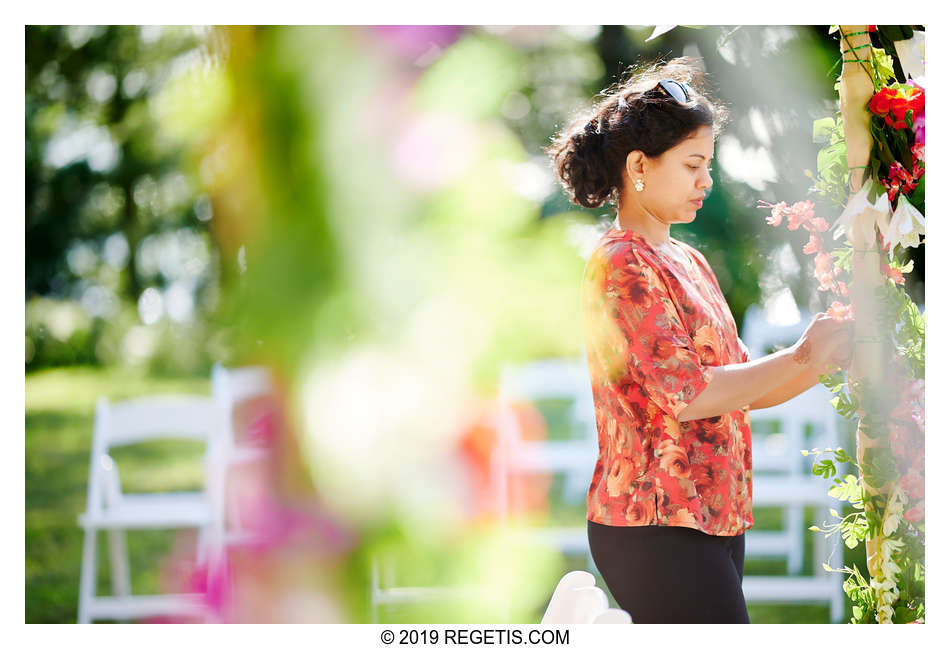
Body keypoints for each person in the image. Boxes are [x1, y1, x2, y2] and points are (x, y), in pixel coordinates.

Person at [545, 57, 854, 623]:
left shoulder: (687, 259)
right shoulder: (622, 264)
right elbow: (689, 395)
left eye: (707, 164)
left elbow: (739, 389)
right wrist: (799, 353)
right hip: (654, 524)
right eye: (692, 164)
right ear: (639, 166)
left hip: (711, 516)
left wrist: (819, 361)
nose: (706, 180)